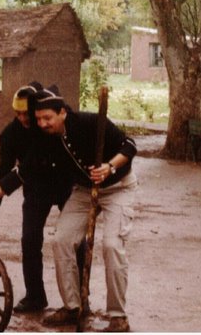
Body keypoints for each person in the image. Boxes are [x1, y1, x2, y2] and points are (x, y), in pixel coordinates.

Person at [34, 87, 138, 333]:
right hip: (84, 191)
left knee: (112, 245)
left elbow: (130, 145)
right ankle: (73, 307)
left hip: (118, 187)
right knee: (61, 240)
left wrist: (109, 167)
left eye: (47, 118)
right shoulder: (47, 138)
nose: (42, 124)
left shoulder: (90, 121)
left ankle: (118, 317)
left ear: (62, 113)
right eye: (38, 119)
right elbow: (28, 170)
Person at [0, 83, 73, 313]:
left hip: (63, 182)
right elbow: (3, 170)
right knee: (29, 240)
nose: (22, 118)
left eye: (26, 113)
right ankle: (35, 297)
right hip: (35, 188)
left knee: (73, 240)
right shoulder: (9, 135)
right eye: (17, 114)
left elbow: (23, 169)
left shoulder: (47, 124)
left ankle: (80, 298)